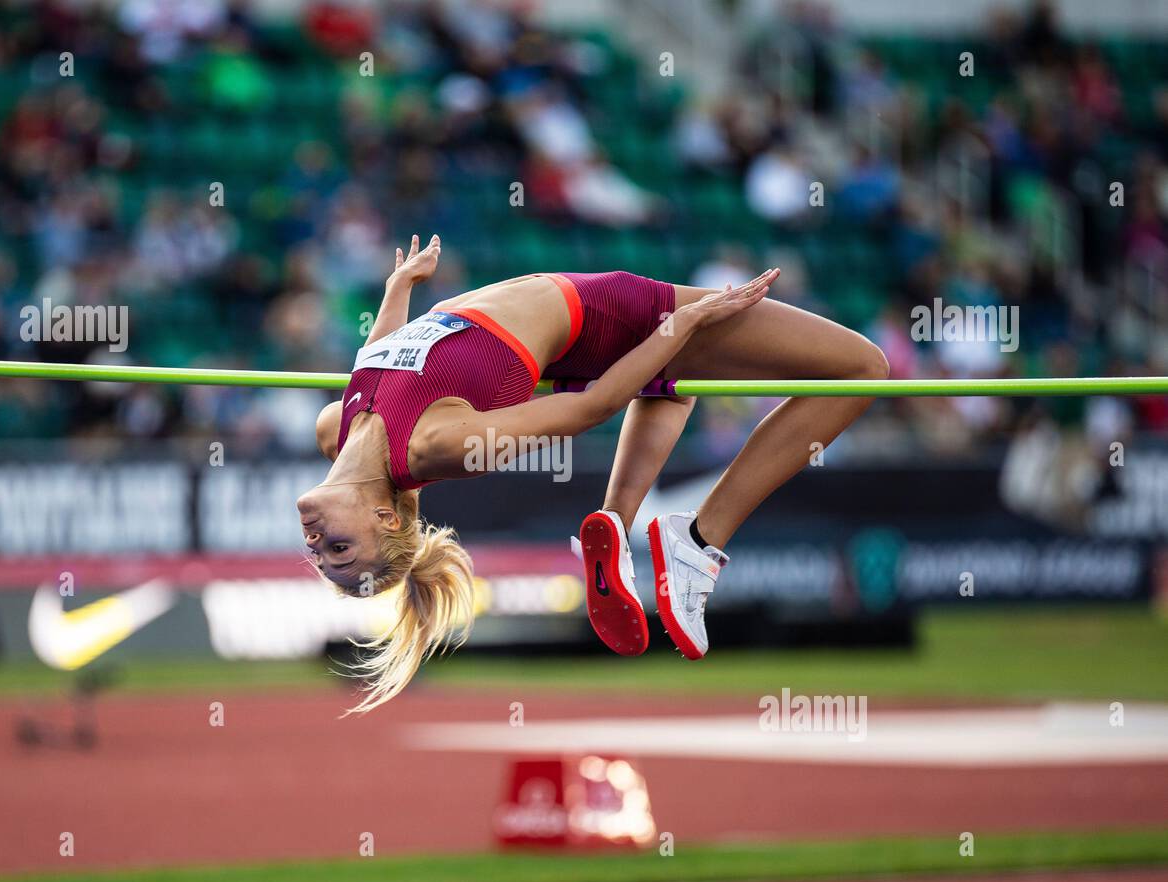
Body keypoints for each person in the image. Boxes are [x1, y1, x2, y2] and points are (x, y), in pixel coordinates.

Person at [298, 234, 889, 711]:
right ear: (382, 516)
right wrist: (678, 326)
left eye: (320, 553)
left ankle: (617, 520)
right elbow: (588, 409)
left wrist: (398, 289)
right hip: (598, 311)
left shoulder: (336, 428)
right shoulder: (434, 447)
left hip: (566, 331)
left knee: (671, 387)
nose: (319, 544)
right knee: (863, 366)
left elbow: (376, 357)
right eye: (342, 549)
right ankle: (700, 540)